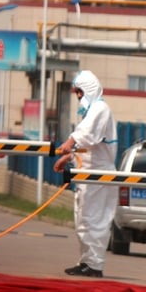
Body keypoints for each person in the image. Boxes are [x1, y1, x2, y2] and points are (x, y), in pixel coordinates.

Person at [52, 70, 118, 278]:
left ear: (87, 90)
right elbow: (89, 149)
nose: (78, 97)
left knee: (94, 220)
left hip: (99, 176)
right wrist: (69, 157)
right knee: (83, 220)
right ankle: (86, 262)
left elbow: (86, 135)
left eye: (79, 92)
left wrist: (69, 143)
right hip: (87, 175)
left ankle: (95, 265)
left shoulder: (100, 108)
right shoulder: (92, 111)